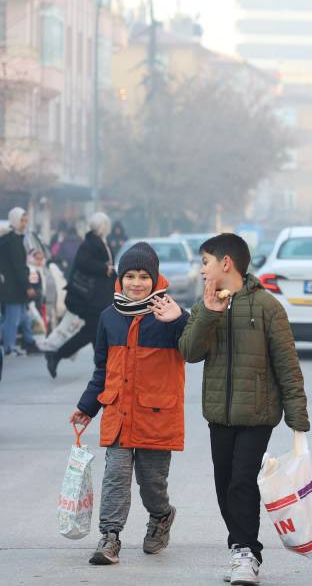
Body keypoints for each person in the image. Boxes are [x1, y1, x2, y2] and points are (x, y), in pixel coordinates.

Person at [178, 233, 310, 586]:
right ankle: (241, 546)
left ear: (226, 263)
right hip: (219, 415)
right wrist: (209, 314)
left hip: (257, 414)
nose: (202, 270)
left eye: (205, 262)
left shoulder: (267, 306)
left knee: (241, 483)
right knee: (225, 485)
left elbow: (287, 365)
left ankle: (245, 551)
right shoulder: (203, 305)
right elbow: (188, 352)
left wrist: (298, 417)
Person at [69, 243, 188, 565]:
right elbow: (103, 369)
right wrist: (87, 406)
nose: (136, 283)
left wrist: (180, 320)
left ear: (155, 278)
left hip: (156, 415)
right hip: (118, 413)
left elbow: (193, 348)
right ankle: (110, 537)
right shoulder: (109, 318)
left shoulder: (169, 314)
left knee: (152, 484)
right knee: (115, 478)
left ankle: (161, 516)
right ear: (120, 279)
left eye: (144, 276)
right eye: (130, 276)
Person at [46, 212, 115, 378]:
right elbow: (84, 263)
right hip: (90, 298)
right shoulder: (90, 243)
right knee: (92, 332)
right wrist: (104, 268)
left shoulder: (99, 241)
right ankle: (57, 355)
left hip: (98, 297)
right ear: (103, 226)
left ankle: (102, 367)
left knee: (95, 332)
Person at [0, 207, 35, 356]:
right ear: (14, 220)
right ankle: (9, 347)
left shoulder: (13, 238)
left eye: (26, 220)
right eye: (22, 220)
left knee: (21, 317)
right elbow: (18, 267)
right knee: (12, 319)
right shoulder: (13, 240)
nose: (24, 223)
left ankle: (24, 342)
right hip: (12, 287)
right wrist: (27, 286)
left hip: (12, 286)